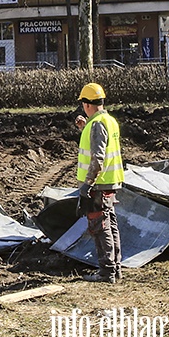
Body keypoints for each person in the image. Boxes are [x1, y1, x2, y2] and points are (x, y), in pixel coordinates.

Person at [74, 83, 124, 283]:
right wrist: (84, 127)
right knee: (110, 225)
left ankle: (106, 272)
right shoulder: (108, 121)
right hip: (110, 182)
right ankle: (115, 268)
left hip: (98, 185)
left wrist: (87, 185)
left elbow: (97, 158)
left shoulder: (97, 125)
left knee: (99, 226)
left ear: (87, 104)